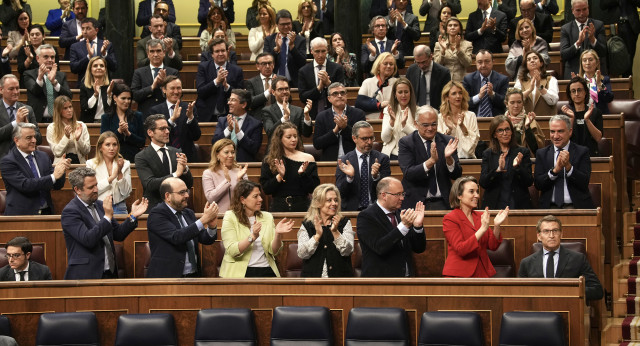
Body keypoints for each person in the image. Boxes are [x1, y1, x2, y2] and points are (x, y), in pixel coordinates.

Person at [62, 168, 146, 279]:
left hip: (109, 273)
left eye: (96, 185)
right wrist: (107, 217)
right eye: (91, 187)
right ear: (77, 190)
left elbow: (118, 234)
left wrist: (133, 216)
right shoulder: (70, 212)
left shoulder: (100, 205)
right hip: (86, 276)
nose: (96, 189)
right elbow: (88, 239)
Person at [220, 180, 295, 277]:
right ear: (243, 200)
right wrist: (252, 237)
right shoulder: (230, 217)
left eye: (260, 195)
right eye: (255, 196)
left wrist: (277, 234)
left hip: (266, 269)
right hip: (239, 273)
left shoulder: (267, 217)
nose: (260, 199)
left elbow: (274, 251)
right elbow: (232, 251)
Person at [518, 215, 603, 300]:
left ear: (561, 234)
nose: (551, 235)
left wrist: (570, 292)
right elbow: (519, 292)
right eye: (546, 231)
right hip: (538, 310)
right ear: (539, 236)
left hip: (569, 308)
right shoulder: (526, 263)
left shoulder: (578, 259)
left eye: (555, 231)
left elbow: (597, 290)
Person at [147, 177, 219, 278]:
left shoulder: (188, 213)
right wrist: (203, 220)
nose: (187, 195)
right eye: (182, 192)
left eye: (186, 191)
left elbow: (205, 239)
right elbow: (177, 237)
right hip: (167, 278)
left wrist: (211, 226)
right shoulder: (157, 214)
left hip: (193, 276)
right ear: (168, 196)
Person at [357, 177, 426, 277]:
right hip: (381, 284)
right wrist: (404, 226)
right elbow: (380, 247)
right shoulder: (366, 217)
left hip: (407, 281)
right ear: (384, 195)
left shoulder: (401, 214)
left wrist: (418, 227)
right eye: (398, 194)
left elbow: (419, 248)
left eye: (402, 194)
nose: (402, 198)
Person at [442, 176, 509, 277]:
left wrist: (497, 226)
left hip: (482, 272)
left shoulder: (480, 216)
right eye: (471, 191)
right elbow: (461, 249)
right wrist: (482, 229)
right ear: (459, 195)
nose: (477, 195)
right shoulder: (450, 219)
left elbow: (493, 246)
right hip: (459, 274)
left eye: (477, 192)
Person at [398, 105, 462, 210]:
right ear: (416, 124)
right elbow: (408, 173)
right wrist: (431, 161)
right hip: (416, 203)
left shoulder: (447, 141)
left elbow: (457, 175)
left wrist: (449, 159)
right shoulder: (406, 143)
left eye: (434, 124)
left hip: (444, 202)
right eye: (425, 125)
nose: (430, 128)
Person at [0, 123, 65, 215]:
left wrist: (61, 170)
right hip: (21, 216)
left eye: (34, 137)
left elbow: (57, 186)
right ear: (17, 140)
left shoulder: (43, 156)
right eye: (29, 138)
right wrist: (53, 176)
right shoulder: (8, 161)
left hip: (46, 213)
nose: (34, 140)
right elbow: (25, 185)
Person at [534, 114, 595, 209]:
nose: (555, 136)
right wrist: (554, 171)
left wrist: (569, 167)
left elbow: (584, 182)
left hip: (576, 207)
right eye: (552, 131)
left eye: (560, 131)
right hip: (549, 208)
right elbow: (538, 184)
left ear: (570, 132)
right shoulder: (542, 154)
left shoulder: (582, 152)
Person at [136, 114, 194, 211]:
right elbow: (150, 184)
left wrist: (184, 169)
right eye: (162, 129)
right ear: (150, 132)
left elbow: (189, 184)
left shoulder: (177, 152)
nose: (167, 132)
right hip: (155, 208)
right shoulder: (142, 156)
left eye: (167, 128)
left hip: (178, 207)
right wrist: (176, 174)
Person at [297, 184, 355, 277]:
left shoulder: (344, 222)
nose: (334, 203)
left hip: (340, 281)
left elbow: (348, 251)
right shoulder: (307, 225)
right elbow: (302, 254)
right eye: (329, 200)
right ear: (317, 203)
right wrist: (317, 236)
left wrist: (336, 232)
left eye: (336, 200)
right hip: (313, 282)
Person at [261, 122, 319, 212]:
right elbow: (267, 189)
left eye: (295, 136)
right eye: (289, 137)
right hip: (279, 207)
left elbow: (314, 188)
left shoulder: (308, 158)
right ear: (279, 139)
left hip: (302, 206)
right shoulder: (270, 160)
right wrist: (279, 176)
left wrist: (302, 174)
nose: (293, 140)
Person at [336, 121, 391, 211]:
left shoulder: (382, 159)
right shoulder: (344, 161)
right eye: (364, 138)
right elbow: (340, 192)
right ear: (354, 138)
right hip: (352, 210)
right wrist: (349, 177)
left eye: (371, 138)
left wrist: (376, 177)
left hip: (376, 209)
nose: (369, 142)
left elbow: (387, 190)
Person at [479, 115, 533, 209]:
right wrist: (498, 170)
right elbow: (483, 182)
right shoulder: (488, 154)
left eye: (507, 129)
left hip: (518, 204)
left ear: (512, 131)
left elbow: (528, 181)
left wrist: (517, 168)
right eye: (500, 130)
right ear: (494, 134)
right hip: (495, 204)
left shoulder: (522, 152)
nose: (505, 133)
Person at [148, 76, 201, 163]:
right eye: (172, 88)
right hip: (164, 158)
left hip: (187, 158)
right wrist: (171, 120)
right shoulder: (155, 110)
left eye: (178, 88)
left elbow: (196, 136)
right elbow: (154, 136)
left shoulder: (189, 108)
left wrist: (190, 118)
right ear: (164, 90)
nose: (176, 92)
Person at [195, 38, 244, 122]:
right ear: (212, 54)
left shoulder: (237, 70)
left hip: (229, 116)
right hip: (207, 115)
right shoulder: (203, 67)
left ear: (227, 52)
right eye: (217, 51)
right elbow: (200, 91)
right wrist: (216, 81)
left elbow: (241, 95)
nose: (220, 54)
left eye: (223, 50)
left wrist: (227, 87)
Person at [315, 82, 366, 161]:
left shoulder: (358, 114)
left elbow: (363, 139)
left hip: (354, 160)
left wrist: (345, 128)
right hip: (330, 162)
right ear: (329, 99)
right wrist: (335, 131)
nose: (339, 96)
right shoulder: (321, 116)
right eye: (335, 93)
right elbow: (317, 144)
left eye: (342, 93)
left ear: (346, 96)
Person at [298, 37, 345, 120]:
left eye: (323, 51)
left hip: (334, 113)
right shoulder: (304, 71)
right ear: (311, 51)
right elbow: (302, 97)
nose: (320, 55)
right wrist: (318, 88)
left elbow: (341, 94)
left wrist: (329, 84)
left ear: (327, 50)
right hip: (313, 113)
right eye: (317, 51)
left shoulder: (337, 68)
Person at [23, 44, 72, 123]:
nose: (50, 60)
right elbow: (35, 91)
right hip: (37, 120)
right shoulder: (29, 74)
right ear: (38, 58)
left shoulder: (61, 75)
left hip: (58, 120)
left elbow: (69, 96)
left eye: (52, 57)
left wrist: (54, 83)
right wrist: (40, 78)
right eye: (46, 57)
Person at [86, 131, 132, 215]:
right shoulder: (91, 164)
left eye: (114, 145)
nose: (112, 148)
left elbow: (126, 192)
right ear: (100, 147)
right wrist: (112, 177)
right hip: (99, 206)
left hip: (119, 206)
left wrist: (120, 174)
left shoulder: (125, 164)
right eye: (107, 145)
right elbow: (93, 190)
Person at [132, 39, 180, 117]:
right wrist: (151, 87)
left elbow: (179, 95)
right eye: (152, 51)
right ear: (147, 54)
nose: (155, 54)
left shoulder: (173, 72)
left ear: (164, 53)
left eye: (158, 51)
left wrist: (164, 84)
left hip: (167, 115)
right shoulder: (139, 73)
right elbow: (135, 95)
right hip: (146, 116)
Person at [560, 0, 607, 79]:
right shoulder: (566, 29)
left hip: (596, 73)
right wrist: (578, 43)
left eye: (584, 9)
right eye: (578, 10)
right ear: (572, 11)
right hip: (574, 72)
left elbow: (603, 52)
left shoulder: (598, 25)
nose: (582, 13)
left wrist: (592, 39)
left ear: (588, 8)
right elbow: (564, 55)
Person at [212, 89, 263, 162]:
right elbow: (214, 143)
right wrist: (228, 130)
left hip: (243, 166)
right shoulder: (222, 121)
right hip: (223, 165)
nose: (229, 103)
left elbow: (254, 149)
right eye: (229, 100)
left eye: (233, 100)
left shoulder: (255, 124)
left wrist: (239, 133)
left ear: (243, 104)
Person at [100, 83, 145, 162]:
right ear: (115, 98)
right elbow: (104, 141)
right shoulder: (106, 117)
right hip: (113, 159)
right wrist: (119, 131)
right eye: (123, 98)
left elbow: (142, 142)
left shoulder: (137, 116)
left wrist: (128, 134)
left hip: (133, 158)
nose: (127, 101)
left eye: (129, 98)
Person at [0, 74, 42, 158]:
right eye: (11, 89)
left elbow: (39, 139)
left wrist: (27, 126)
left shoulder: (28, 109)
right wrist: (16, 123)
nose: (15, 92)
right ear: (1, 90)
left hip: (25, 158)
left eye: (17, 88)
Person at [560, 76, 603, 157]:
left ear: (585, 92)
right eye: (573, 91)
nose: (576, 94)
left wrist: (587, 120)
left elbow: (598, 138)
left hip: (591, 154)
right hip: (570, 155)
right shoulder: (564, 114)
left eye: (579, 90)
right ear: (570, 94)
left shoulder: (595, 112)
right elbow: (563, 139)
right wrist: (572, 118)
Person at [203, 139, 248, 213]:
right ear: (217, 154)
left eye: (233, 152)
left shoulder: (240, 172)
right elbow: (211, 198)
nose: (231, 155)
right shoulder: (208, 173)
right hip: (219, 217)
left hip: (239, 215)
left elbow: (247, 197)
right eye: (226, 152)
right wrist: (226, 181)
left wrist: (240, 180)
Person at [263, 9, 307, 87]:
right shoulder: (269, 40)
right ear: (277, 25)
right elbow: (265, 61)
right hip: (274, 83)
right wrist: (276, 49)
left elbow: (302, 63)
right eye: (283, 24)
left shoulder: (300, 40)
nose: (286, 26)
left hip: (294, 83)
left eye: (288, 23)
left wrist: (292, 47)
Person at [262, 76, 313, 142]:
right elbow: (270, 133)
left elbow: (307, 134)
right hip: (275, 150)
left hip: (295, 149)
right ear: (273, 92)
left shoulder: (299, 110)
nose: (284, 92)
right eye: (280, 89)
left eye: (286, 89)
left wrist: (306, 116)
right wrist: (285, 118)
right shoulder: (267, 111)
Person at [438, 81, 480, 159]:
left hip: (468, 160)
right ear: (447, 97)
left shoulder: (471, 116)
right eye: (454, 93)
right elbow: (439, 146)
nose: (458, 96)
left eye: (460, 93)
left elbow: (471, 148)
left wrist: (462, 126)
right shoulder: (440, 118)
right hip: (447, 160)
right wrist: (449, 131)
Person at [463, 50, 509, 117]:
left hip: (496, 120)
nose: (483, 65)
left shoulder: (503, 79)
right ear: (475, 63)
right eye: (480, 62)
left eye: (487, 62)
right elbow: (464, 102)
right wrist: (478, 96)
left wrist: (493, 94)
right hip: (474, 120)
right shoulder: (468, 79)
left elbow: (506, 102)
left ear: (493, 62)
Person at [69, 18, 116, 83]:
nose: (84, 32)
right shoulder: (75, 47)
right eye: (83, 29)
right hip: (84, 85)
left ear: (96, 30)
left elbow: (114, 67)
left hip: (104, 84)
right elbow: (73, 69)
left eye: (88, 28)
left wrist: (104, 54)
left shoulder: (107, 45)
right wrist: (88, 57)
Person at [46, 95, 90, 165]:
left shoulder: (81, 125)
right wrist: (66, 137)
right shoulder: (52, 128)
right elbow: (57, 152)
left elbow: (87, 151)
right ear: (58, 110)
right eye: (65, 108)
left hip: (79, 164)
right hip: (61, 164)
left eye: (70, 107)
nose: (69, 110)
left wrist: (78, 139)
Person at [600, 0, 640, 77]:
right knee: (612, 59)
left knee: (628, 60)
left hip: (630, 26)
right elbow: (603, 5)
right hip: (613, 26)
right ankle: (613, 86)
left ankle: (627, 86)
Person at [381, 78, 417, 160]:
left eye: (406, 92)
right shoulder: (388, 110)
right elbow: (385, 138)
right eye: (400, 92)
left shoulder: (418, 111)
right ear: (395, 94)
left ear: (410, 93)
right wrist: (391, 123)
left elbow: (418, 138)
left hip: (412, 154)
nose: (403, 95)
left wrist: (405, 125)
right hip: (392, 154)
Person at [514, 50, 558, 117]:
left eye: (535, 58)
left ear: (541, 63)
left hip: (546, 121)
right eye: (528, 59)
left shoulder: (551, 79)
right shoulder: (520, 81)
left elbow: (553, 101)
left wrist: (539, 87)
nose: (532, 61)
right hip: (525, 122)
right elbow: (514, 100)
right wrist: (529, 90)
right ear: (526, 65)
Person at [503, 88, 545, 156]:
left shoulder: (530, 121)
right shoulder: (501, 122)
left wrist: (527, 128)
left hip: (526, 159)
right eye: (512, 102)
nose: (516, 106)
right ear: (506, 104)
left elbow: (537, 149)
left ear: (523, 102)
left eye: (519, 102)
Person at [406, 45, 450, 111]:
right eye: (418, 62)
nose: (421, 66)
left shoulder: (443, 73)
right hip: (415, 111)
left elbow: (446, 97)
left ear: (431, 57)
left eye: (424, 62)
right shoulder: (411, 70)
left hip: (436, 112)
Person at [356, 52, 398, 120]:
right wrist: (379, 105)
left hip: (392, 121)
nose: (388, 66)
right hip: (371, 122)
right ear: (378, 66)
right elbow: (359, 103)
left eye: (391, 64)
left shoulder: (398, 83)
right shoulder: (367, 82)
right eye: (385, 63)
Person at [433, 17, 473, 83]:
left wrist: (458, 49)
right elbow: (436, 65)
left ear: (460, 29)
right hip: (443, 81)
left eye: (455, 25)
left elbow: (467, 64)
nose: (452, 27)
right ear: (446, 29)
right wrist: (443, 51)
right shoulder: (438, 44)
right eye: (450, 25)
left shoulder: (467, 44)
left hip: (461, 81)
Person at [576, 49, 613, 114]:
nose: (587, 63)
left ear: (597, 62)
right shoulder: (578, 80)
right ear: (581, 63)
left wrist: (599, 84)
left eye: (590, 60)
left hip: (601, 116)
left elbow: (609, 98)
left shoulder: (604, 80)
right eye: (584, 60)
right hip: (582, 115)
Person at [79, 57, 112, 123]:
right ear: (90, 69)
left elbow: (112, 108)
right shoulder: (84, 86)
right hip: (90, 122)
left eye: (102, 66)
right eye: (95, 66)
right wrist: (95, 95)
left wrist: (109, 95)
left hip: (108, 122)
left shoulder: (111, 86)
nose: (99, 68)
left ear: (105, 69)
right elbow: (85, 107)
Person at [245, 52, 276, 118]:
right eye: (264, 64)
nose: (267, 66)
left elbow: (288, 99)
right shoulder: (251, 82)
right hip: (259, 118)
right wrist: (269, 91)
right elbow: (251, 102)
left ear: (273, 65)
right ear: (257, 66)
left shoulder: (280, 80)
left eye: (270, 63)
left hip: (277, 116)